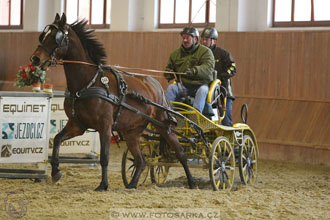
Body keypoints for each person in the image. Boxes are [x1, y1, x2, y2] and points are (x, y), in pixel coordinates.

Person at [164, 26, 215, 113]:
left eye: (187, 38)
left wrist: (195, 70)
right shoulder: (175, 54)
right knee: (171, 88)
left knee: (202, 91)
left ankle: (194, 115)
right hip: (184, 86)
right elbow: (168, 68)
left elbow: (208, 68)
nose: (185, 40)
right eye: (183, 38)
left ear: (195, 39)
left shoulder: (206, 52)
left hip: (201, 85)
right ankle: (167, 113)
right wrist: (169, 73)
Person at [200, 26, 237, 126]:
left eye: (206, 39)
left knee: (225, 120)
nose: (203, 42)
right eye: (202, 39)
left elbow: (233, 68)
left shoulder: (223, 54)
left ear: (214, 41)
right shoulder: (200, 54)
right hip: (208, 93)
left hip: (224, 92)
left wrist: (221, 76)